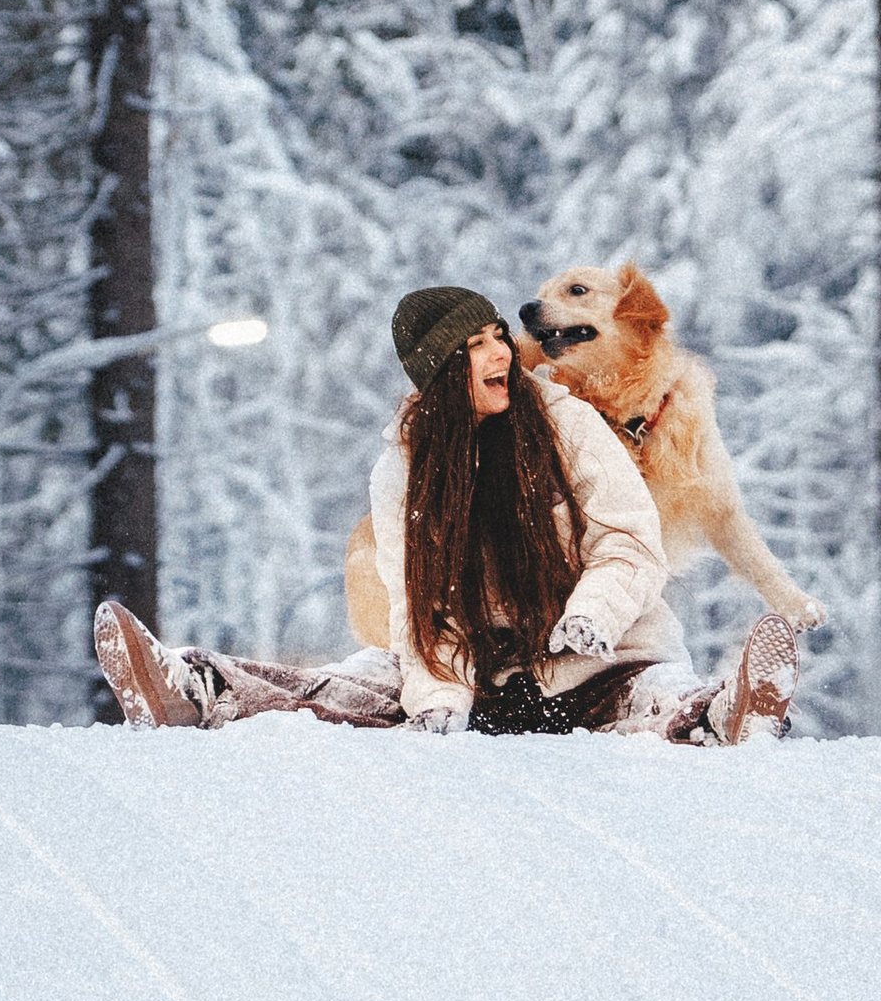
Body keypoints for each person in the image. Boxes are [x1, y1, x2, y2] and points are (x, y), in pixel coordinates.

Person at [91, 284, 799, 741]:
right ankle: (193, 687)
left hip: (596, 662)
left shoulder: (569, 424)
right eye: (473, 348)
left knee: (650, 694)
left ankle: (722, 715)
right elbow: (420, 603)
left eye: (497, 336)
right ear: (439, 375)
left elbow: (630, 541)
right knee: (360, 681)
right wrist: (439, 697)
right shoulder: (404, 471)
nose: (499, 354)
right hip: (481, 681)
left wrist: (594, 615)